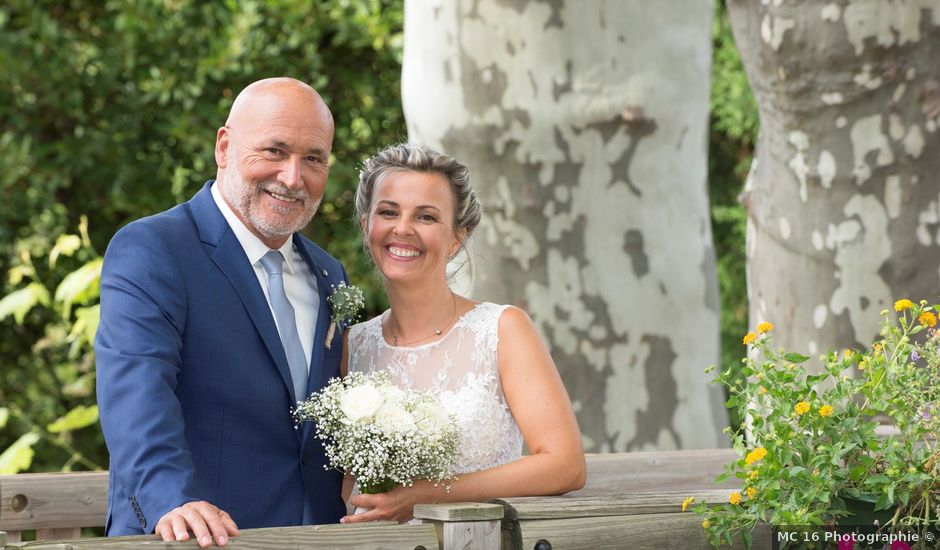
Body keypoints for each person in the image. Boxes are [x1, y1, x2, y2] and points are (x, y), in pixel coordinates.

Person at [95, 77, 348, 548]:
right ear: (225, 146)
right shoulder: (153, 249)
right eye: (274, 150)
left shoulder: (330, 274)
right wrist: (171, 500)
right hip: (196, 538)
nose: (293, 177)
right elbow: (136, 389)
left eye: (313, 158)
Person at [340, 143, 587, 523]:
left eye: (426, 217)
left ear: (458, 237)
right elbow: (345, 487)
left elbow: (565, 465)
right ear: (366, 225)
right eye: (388, 212)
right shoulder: (353, 345)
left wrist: (426, 496)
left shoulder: (502, 330)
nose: (402, 229)